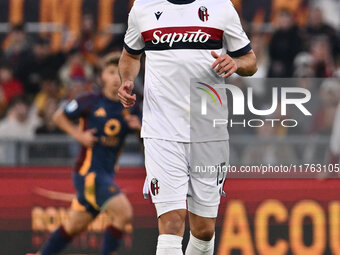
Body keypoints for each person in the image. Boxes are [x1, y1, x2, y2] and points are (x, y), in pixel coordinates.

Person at [118, 0, 257, 254]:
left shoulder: (221, 7)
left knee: (204, 230)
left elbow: (250, 60)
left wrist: (236, 64)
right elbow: (130, 55)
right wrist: (127, 80)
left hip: (208, 132)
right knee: (171, 222)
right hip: (162, 130)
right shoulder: (143, 7)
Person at [36, 53, 141, 255]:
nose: (115, 77)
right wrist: (79, 135)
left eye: (119, 72)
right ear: (102, 75)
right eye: (111, 72)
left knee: (73, 227)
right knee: (123, 213)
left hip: (107, 173)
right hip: (89, 173)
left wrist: (139, 129)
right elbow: (59, 117)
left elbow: (145, 140)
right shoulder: (89, 100)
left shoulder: (131, 106)